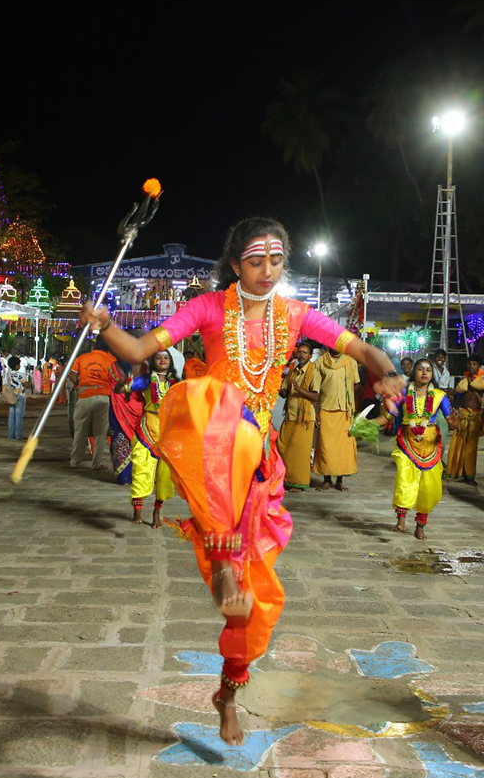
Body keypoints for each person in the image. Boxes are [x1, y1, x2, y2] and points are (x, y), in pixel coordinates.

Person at [80, 217, 401, 745]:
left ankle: (228, 690)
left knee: (255, 604)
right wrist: (103, 325)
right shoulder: (208, 307)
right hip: (214, 438)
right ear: (235, 264)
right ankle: (227, 563)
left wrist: (382, 371)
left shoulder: (295, 315)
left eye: (276, 261)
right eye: (256, 261)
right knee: (222, 407)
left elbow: (362, 350)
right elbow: (139, 352)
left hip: (257, 461)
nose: (267, 271)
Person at [387, 358, 451, 540]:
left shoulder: (439, 396)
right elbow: (388, 415)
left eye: (428, 370)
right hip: (407, 442)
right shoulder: (404, 393)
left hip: (430, 445)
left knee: (429, 488)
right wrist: (366, 426)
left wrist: (456, 422)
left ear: (432, 374)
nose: (424, 373)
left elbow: (451, 419)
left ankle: (420, 526)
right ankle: (401, 520)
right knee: (404, 479)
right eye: (421, 369)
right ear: (414, 372)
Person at [117, 349, 177, 526]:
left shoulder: (177, 382)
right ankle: (137, 512)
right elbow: (121, 389)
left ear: (170, 361)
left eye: (166, 357)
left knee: (165, 476)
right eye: (158, 357)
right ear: (153, 361)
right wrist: (124, 381)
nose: (162, 360)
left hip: (168, 431)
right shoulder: (145, 380)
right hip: (147, 429)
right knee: (142, 469)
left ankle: (157, 512)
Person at [313, 345, 360, 492]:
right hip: (326, 409)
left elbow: (356, 385)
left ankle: (340, 480)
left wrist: (354, 406)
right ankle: (327, 480)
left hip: (345, 411)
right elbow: (315, 391)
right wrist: (316, 412)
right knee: (326, 447)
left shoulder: (351, 362)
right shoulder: (319, 363)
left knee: (343, 449)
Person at [68, 338, 119, 469]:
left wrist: (79, 382)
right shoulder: (111, 360)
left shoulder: (82, 357)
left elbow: (72, 374)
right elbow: (116, 378)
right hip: (104, 398)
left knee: (80, 431)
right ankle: (96, 463)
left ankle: (75, 461)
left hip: (84, 396)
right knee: (100, 433)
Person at [278, 342, 318, 492]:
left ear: (310, 356)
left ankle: (298, 483)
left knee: (300, 452)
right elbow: (285, 393)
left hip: (305, 417)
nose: (301, 354)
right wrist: (274, 382)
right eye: (300, 351)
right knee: (283, 447)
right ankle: (286, 479)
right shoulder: (294, 370)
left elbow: (316, 396)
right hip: (291, 414)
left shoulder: (314, 372)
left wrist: (300, 390)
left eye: (305, 352)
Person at [446, 354, 484, 485]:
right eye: (470, 364)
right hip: (463, 416)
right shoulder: (463, 382)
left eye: (474, 364)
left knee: (471, 448)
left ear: (479, 366)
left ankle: (470, 475)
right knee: (458, 444)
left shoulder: (483, 382)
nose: (471, 366)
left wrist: (483, 418)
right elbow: (458, 397)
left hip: (475, 417)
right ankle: (457, 472)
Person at [5, 355, 30, 440]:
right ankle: (18, 435)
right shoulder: (21, 375)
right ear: (16, 365)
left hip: (11, 397)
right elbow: (26, 385)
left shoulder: (8, 375)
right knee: (19, 416)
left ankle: (10, 435)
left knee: (11, 415)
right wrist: (29, 380)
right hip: (20, 396)